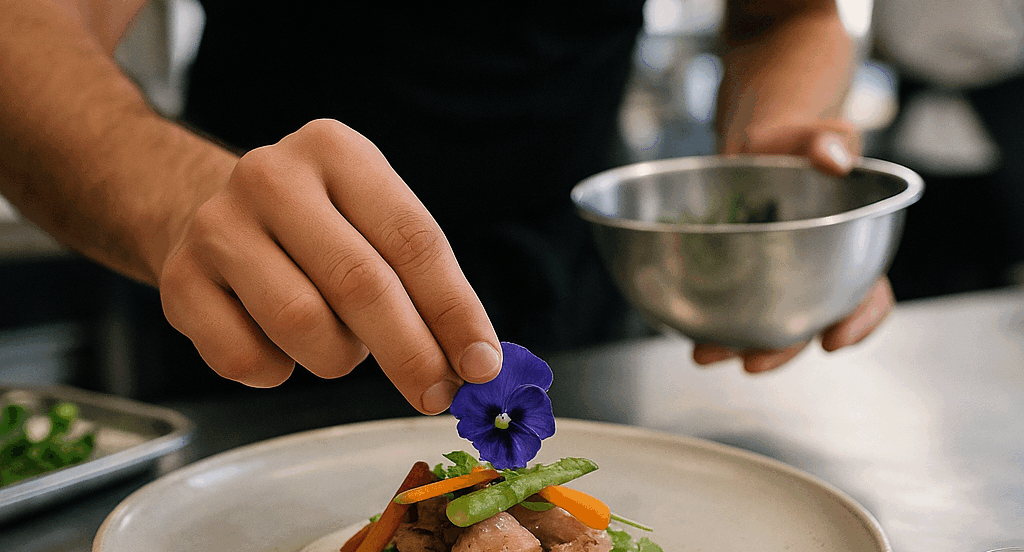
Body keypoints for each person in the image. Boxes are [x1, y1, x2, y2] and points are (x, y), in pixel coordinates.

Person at [0, 0, 893, 415]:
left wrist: (771, 179)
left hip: (580, 304)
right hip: (264, 304)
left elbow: (788, 15)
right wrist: (184, 198)